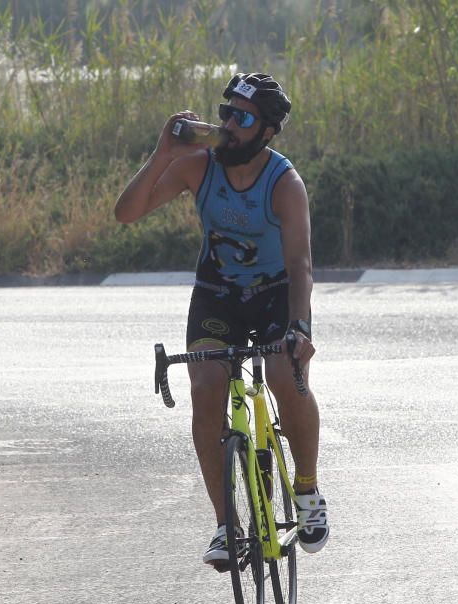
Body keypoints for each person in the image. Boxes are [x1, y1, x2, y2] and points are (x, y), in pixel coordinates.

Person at [114, 72, 329, 566]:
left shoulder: (283, 183)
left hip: (276, 294)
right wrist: (163, 154)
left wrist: (301, 329)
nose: (229, 124)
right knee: (205, 387)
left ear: (267, 131)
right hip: (219, 294)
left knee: (284, 373)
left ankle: (308, 490)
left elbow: (301, 266)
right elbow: (126, 213)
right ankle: (225, 525)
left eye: (243, 118)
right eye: (226, 112)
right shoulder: (199, 165)